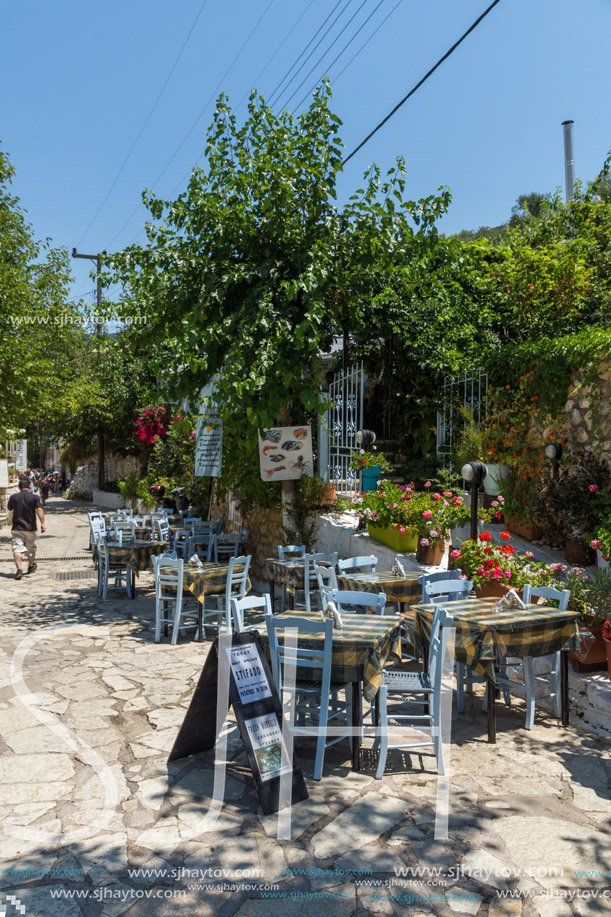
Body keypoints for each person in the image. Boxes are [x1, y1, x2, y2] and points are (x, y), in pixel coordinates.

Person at [7, 477, 45, 580]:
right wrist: (42, 523)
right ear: (29, 487)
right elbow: (40, 510)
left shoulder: (13, 497)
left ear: (19, 487)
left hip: (17, 527)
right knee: (31, 548)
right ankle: (30, 566)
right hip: (30, 527)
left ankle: (19, 569)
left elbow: (9, 508)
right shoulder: (35, 498)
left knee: (17, 549)